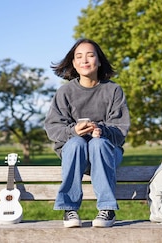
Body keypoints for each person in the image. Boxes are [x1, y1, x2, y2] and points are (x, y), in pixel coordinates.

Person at [44, 38, 130, 228]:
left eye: (90, 55)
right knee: (76, 143)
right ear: (74, 63)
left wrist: (102, 131)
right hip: (74, 154)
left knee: (97, 143)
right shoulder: (65, 92)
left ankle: (107, 209)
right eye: (79, 57)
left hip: (106, 153)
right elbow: (53, 127)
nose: (85, 60)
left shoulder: (114, 90)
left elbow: (121, 128)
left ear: (99, 61)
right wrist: (73, 131)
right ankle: (69, 209)